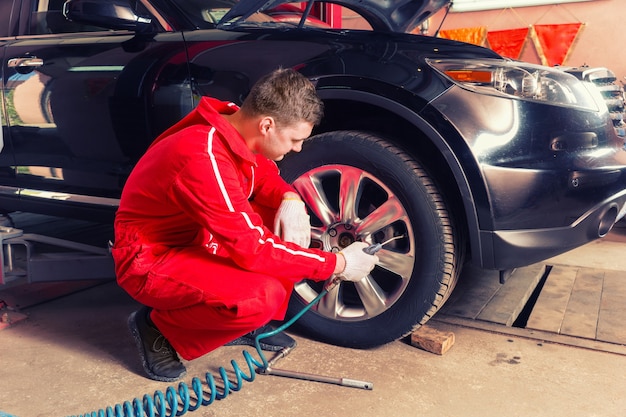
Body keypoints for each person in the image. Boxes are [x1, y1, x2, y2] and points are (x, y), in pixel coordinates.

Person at [111, 68, 378, 382]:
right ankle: (156, 328)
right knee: (258, 297)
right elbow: (254, 250)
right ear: (267, 125)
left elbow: (263, 179)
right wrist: (338, 264)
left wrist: (290, 199)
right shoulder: (202, 156)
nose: (298, 149)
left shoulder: (237, 127)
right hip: (149, 259)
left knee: (280, 219)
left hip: (193, 238)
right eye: (295, 139)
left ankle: (245, 323)